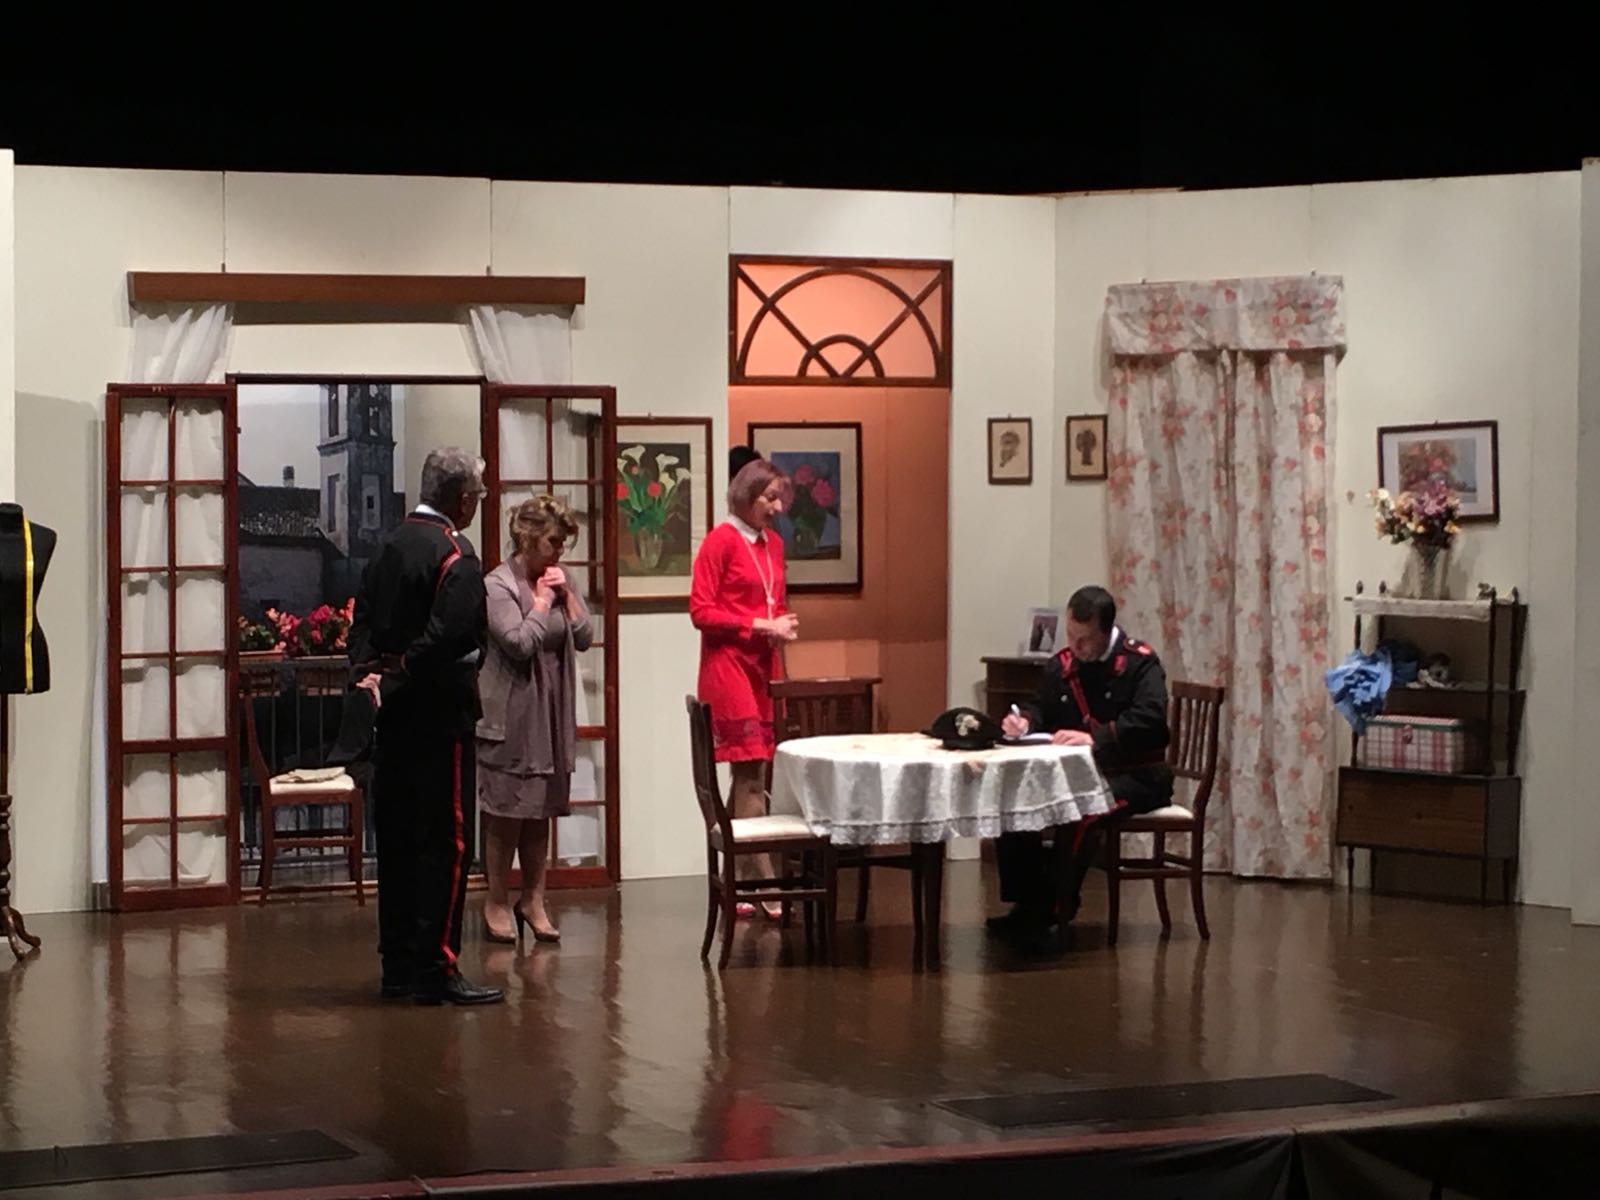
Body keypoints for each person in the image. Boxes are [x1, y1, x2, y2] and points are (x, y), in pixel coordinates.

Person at [348, 447, 503, 1006]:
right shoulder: (456, 553)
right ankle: (436, 967)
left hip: (392, 716)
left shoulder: (387, 545)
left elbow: (361, 624)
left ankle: (397, 966)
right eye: (477, 496)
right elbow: (455, 635)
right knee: (446, 842)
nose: (477, 504)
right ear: (462, 500)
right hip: (440, 714)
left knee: (396, 840)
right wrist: (409, 669)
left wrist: (373, 674)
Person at [989, 585, 1172, 947]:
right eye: (1071, 635)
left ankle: (1058, 907)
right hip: (1077, 775)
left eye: (1084, 639)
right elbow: (1040, 706)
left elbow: (1151, 718)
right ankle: (1027, 904)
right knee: (1014, 801)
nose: (1075, 646)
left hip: (1135, 775)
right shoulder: (1063, 665)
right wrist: (1024, 721)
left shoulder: (1139, 663)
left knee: (1082, 811)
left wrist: (1096, 738)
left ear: (1106, 631)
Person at [476, 495, 592, 945]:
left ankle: (534, 899)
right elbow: (519, 643)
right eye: (552, 542)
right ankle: (496, 900)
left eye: (563, 543)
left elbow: (585, 636)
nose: (559, 551)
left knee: (541, 810)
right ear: (527, 538)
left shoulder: (561, 579)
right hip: (511, 711)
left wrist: (568, 597)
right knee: (506, 811)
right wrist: (543, 602)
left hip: (551, 709)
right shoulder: (498, 585)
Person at [689, 458, 799, 920]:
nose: (777, 508)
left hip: (762, 667)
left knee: (752, 775)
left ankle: (738, 881)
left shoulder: (773, 544)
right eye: (769, 498)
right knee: (750, 773)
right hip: (729, 667)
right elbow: (701, 611)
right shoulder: (720, 541)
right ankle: (763, 880)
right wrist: (759, 625)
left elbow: (773, 599)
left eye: (780, 499)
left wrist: (778, 627)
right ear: (746, 495)